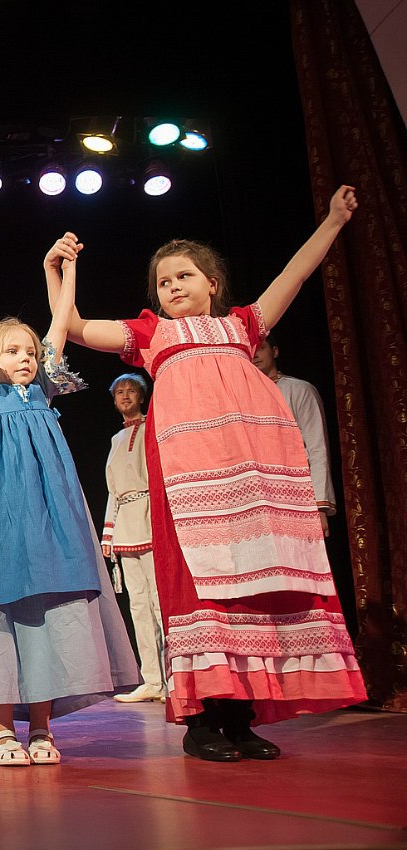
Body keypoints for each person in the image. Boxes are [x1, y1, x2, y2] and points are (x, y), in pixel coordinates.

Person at [45, 185, 368, 761]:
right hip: (190, 482)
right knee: (201, 590)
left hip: (254, 475)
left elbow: (294, 276)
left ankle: (241, 719)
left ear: (213, 283)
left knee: (257, 589)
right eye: (163, 281)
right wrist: (60, 270)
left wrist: (333, 222)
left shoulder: (244, 325)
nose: (173, 287)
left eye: (184, 276)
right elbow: (72, 327)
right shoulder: (152, 333)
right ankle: (202, 724)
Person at [0, 237, 138, 767]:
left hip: (55, 518)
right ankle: (1, 729)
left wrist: (63, 270)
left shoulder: (45, 393)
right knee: (9, 611)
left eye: (29, 351)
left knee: (53, 608)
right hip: (4, 517)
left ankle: (43, 727)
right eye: (12, 351)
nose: (25, 358)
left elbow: (61, 323)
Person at [101, 373, 165, 704]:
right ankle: (152, 680)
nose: (125, 396)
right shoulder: (116, 439)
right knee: (138, 605)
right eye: (119, 392)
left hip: (150, 518)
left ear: (141, 396)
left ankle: (175, 679)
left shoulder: (153, 428)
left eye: (131, 391)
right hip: (126, 523)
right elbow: (113, 490)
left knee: (159, 602)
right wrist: (109, 533)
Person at [252, 335, 337, 536]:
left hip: (295, 492)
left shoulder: (299, 390)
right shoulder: (239, 397)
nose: (255, 355)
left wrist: (319, 505)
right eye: (251, 349)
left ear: (275, 351)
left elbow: (317, 447)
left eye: (261, 348)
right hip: (258, 497)